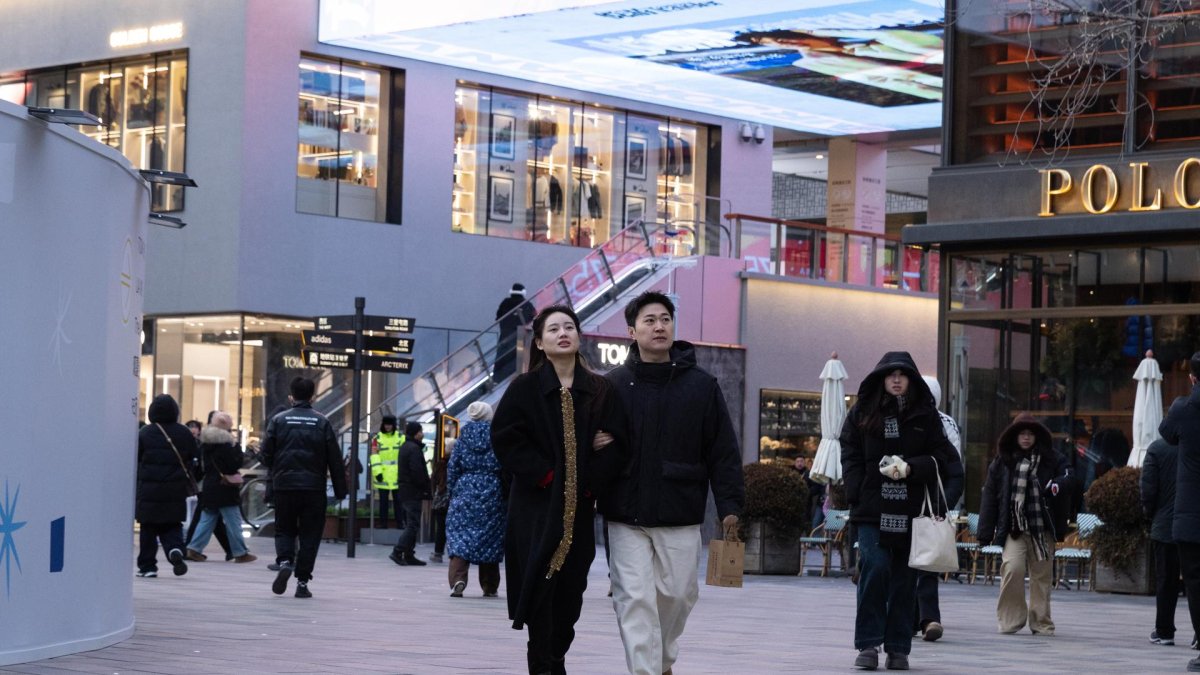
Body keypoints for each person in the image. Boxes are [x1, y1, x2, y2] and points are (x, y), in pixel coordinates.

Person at [600, 291, 743, 675]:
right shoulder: (612, 385)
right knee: (634, 599)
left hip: (680, 509)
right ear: (632, 331)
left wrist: (730, 506)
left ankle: (661, 660)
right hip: (624, 512)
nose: (659, 326)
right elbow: (593, 447)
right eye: (649, 320)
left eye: (665, 318)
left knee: (679, 595)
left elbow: (723, 450)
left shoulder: (701, 385)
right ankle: (646, 671)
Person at [492, 304, 628, 675]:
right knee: (538, 589)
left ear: (579, 335)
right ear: (539, 341)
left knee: (570, 596)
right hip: (534, 511)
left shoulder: (600, 389)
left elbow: (617, 444)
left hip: (579, 513)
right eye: (553, 329)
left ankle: (555, 657)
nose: (563, 333)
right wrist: (548, 475)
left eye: (569, 327)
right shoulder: (524, 388)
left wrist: (586, 483)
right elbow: (506, 440)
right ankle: (544, 665)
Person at [840, 352, 962, 671]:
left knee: (904, 582)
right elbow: (849, 450)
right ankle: (868, 644)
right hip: (870, 508)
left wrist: (912, 468)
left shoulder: (926, 416)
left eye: (903, 374)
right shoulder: (863, 412)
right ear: (881, 378)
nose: (896, 379)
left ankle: (897, 648)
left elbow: (945, 460)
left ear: (912, 380)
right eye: (890, 374)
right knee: (875, 568)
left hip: (911, 513)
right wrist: (854, 488)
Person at [978, 415, 1071, 637]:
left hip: (1042, 529)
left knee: (1042, 577)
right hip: (1015, 528)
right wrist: (984, 533)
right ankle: (1011, 620)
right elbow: (990, 497)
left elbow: (1070, 477)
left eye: (1030, 434)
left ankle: (1041, 622)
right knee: (1013, 568)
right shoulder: (1002, 462)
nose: (1026, 437)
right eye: (1022, 433)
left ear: (1036, 436)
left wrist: (1058, 485)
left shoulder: (1053, 460)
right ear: (1014, 436)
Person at [261, 376, 348, 598]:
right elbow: (335, 460)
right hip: (313, 488)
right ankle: (302, 582)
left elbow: (266, 456)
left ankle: (285, 561)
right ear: (312, 397)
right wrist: (340, 491)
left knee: (284, 528)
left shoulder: (279, 421)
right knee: (310, 534)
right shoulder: (322, 422)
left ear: (291, 396)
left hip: (285, 486)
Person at [912, 375, 964, 643]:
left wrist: (944, 503)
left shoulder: (944, 424)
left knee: (928, 562)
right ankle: (915, 618)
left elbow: (953, 467)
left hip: (931, 501)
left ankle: (929, 618)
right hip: (907, 500)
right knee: (909, 563)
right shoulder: (903, 420)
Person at [1160, 352, 1200, 672]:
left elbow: (1166, 433)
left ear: (1192, 378)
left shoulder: (1182, 408)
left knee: (1196, 583)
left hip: (1191, 516)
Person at [446, 401, 505, 598]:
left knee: (461, 538)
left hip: (465, 490)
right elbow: (504, 463)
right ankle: (490, 586)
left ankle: (458, 580)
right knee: (490, 538)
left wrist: (452, 491)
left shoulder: (462, 438)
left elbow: (453, 467)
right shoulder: (496, 436)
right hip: (491, 489)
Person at [136, 394, 198, 578]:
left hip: (149, 489)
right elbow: (194, 458)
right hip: (175, 488)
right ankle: (175, 550)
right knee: (172, 524)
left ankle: (148, 566)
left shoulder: (145, 432)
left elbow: (136, 459)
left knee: (148, 528)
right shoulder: (184, 432)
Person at [185, 411, 257, 563]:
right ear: (226, 425)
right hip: (225, 487)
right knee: (233, 520)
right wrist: (238, 449)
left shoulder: (205, 442)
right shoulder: (226, 443)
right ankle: (240, 552)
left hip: (210, 485)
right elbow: (233, 465)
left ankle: (194, 548)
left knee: (207, 519)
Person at [1142, 398, 1186, 646]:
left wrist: (1150, 514)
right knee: (1195, 581)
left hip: (1165, 524)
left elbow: (1148, 489)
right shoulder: (1193, 448)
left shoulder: (1157, 449)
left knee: (1165, 580)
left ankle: (1164, 630)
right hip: (1193, 525)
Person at [389, 421, 432, 566]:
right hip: (412, 491)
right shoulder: (413, 449)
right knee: (413, 524)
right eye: (421, 431)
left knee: (411, 523)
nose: (422, 433)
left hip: (406, 490)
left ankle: (408, 554)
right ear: (416, 433)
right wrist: (425, 486)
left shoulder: (406, 447)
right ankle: (398, 551)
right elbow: (417, 472)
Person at [369, 414, 403, 529]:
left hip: (397, 475)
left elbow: (407, 452)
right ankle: (383, 524)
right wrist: (378, 472)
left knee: (398, 502)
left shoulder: (400, 437)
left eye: (390, 424)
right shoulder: (377, 438)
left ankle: (400, 524)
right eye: (386, 424)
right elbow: (374, 456)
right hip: (382, 475)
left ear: (393, 425)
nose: (388, 426)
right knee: (383, 502)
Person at [495, 282, 535, 381]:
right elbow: (534, 318)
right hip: (521, 336)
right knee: (518, 359)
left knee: (503, 357)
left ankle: (498, 378)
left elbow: (498, 317)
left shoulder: (505, 303)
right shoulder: (527, 304)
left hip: (505, 336)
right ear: (523, 292)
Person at [430, 437, 452, 563]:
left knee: (441, 528)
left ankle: (438, 553)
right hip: (453, 500)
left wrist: (435, 494)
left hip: (440, 501)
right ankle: (456, 554)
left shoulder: (440, 463)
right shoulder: (459, 462)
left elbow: (434, 480)